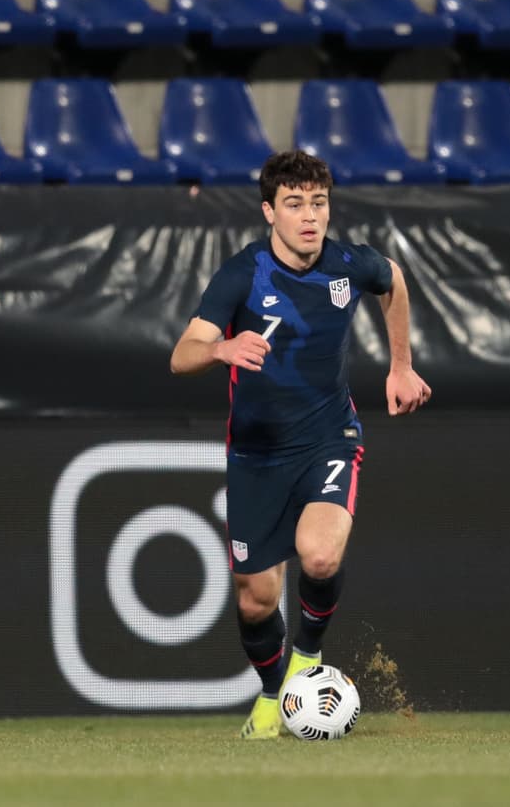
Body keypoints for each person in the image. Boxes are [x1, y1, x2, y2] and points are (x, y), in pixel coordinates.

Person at [170, 150, 431, 739]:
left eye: (318, 203)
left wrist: (401, 365)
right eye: (294, 205)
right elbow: (181, 354)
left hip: (327, 439)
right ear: (270, 211)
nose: (309, 216)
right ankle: (271, 693)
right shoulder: (242, 274)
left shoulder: (346, 264)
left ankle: (308, 660)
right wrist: (220, 349)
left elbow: (393, 279)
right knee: (257, 600)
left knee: (318, 555)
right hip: (257, 457)